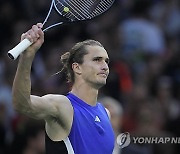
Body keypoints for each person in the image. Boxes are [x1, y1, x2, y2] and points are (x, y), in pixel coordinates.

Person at [12, 23, 115, 154]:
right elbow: (22, 104)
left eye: (106, 61)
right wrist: (27, 57)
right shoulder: (62, 106)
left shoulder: (106, 113)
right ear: (77, 67)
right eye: (97, 60)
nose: (105, 66)